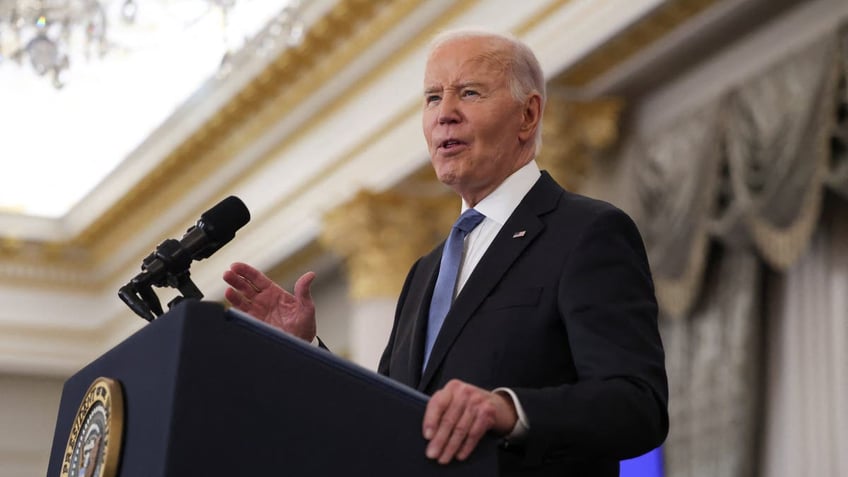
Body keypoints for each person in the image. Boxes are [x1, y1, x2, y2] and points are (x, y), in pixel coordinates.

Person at [223, 28, 668, 476]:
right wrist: (306, 351)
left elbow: (637, 404)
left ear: (528, 116)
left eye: (469, 93)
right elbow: (389, 413)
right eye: (433, 98)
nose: (445, 115)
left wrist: (510, 410)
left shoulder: (586, 232)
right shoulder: (425, 271)